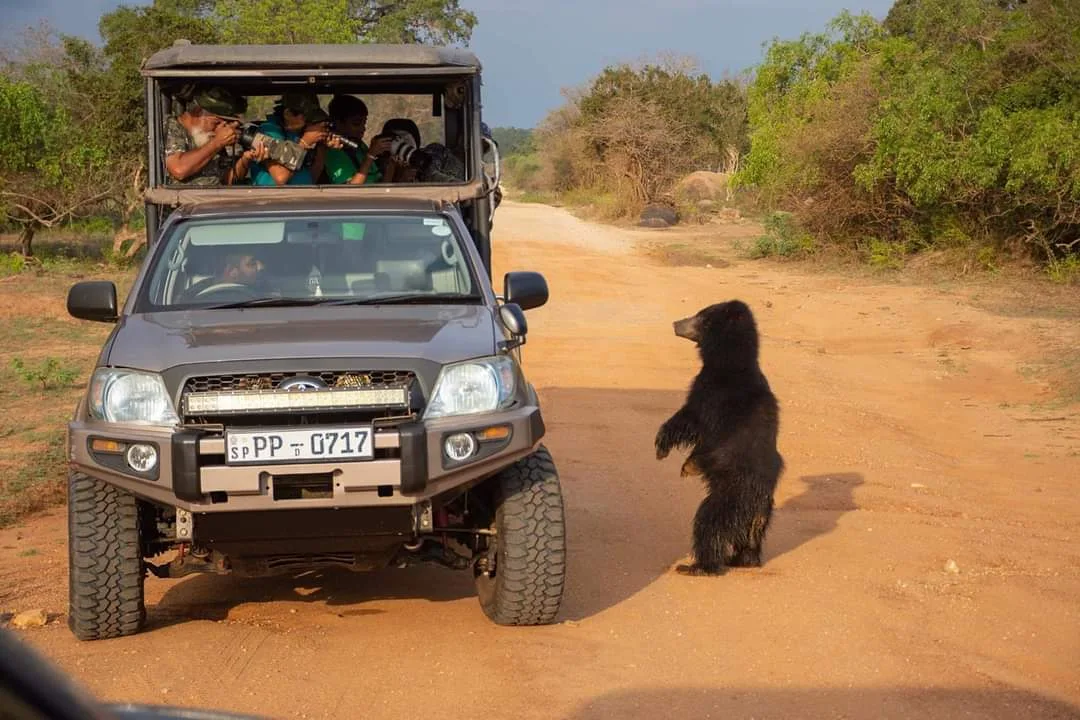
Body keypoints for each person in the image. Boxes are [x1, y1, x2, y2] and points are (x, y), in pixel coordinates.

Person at [164, 86, 268, 186]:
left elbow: (228, 179)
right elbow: (179, 169)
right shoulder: (172, 126)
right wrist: (217, 142)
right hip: (189, 201)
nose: (219, 128)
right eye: (216, 122)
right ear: (198, 111)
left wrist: (245, 159)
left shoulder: (209, 139)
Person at [249, 93, 338, 186]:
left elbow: (312, 176)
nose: (310, 122)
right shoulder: (269, 131)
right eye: (306, 117)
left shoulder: (299, 133)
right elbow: (281, 178)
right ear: (288, 114)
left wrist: (321, 145)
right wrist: (304, 143)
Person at [321, 95, 393, 185]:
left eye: (364, 123)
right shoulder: (332, 152)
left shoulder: (359, 146)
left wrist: (391, 164)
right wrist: (370, 155)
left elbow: (382, 188)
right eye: (356, 124)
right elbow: (351, 191)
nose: (363, 128)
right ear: (338, 123)